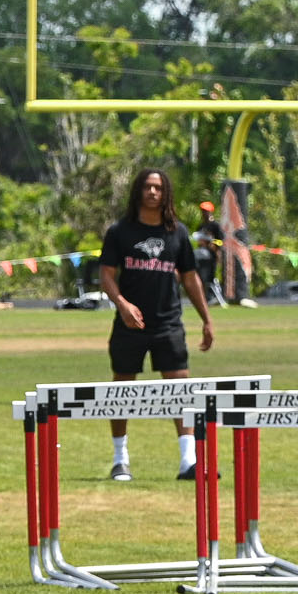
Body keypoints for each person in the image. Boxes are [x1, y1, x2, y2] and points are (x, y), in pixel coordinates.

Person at [99, 168, 215, 482]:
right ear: (138, 191)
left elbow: (190, 278)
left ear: (166, 194)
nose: (153, 192)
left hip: (168, 323)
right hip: (130, 325)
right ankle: (120, 459)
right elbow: (106, 274)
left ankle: (188, 461)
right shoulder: (120, 231)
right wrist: (122, 304)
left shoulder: (177, 232)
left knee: (180, 389)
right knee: (122, 389)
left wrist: (206, 320)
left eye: (159, 188)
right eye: (148, 187)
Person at [192, 200, 228, 307]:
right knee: (201, 277)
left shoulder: (215, 225)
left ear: (211, 212)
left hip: (211, 255)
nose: (204, 213)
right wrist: (201, 241)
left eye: (206, 211)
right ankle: (204, 298)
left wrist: (211, 241)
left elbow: (221, 242)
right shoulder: (201, 226)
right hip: (201, 255)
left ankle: (212, 297)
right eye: (203, 211)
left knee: (209, 278)